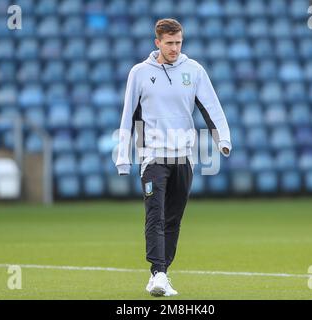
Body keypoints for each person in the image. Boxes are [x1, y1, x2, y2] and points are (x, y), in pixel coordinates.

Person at [115, 18, 231, 297]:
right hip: (152, 157)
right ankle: (159, 273)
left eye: (178, 42)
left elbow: (211, 107)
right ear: (157, 42)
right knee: (155, 215)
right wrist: (123, 157)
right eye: (169, 43)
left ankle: (161, 274)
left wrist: (223, 140)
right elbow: (127, 115)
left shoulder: (195, 70)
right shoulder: (140, 73)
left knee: (173, 220)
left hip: (184, 158)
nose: (175, 48)